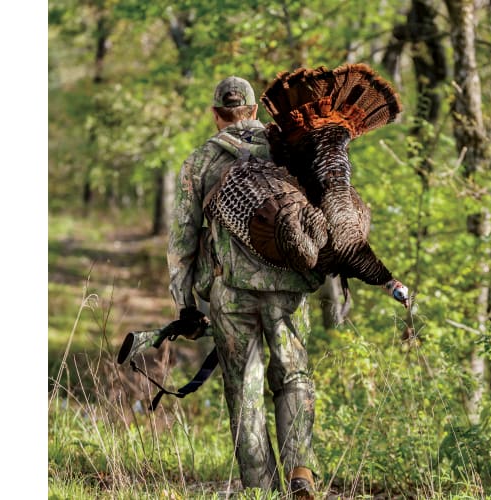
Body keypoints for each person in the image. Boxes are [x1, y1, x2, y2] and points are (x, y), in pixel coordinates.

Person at [167, 76, 325, 498]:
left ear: (216, 115)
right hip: (289, 289)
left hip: (231, 293)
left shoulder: (200, 161)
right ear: (254, 111)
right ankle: (301, 472)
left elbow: (182, 237)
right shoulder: (289, 151)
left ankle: (262, 489)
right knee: (293, 374)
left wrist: (184, 303)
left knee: (245, 388)